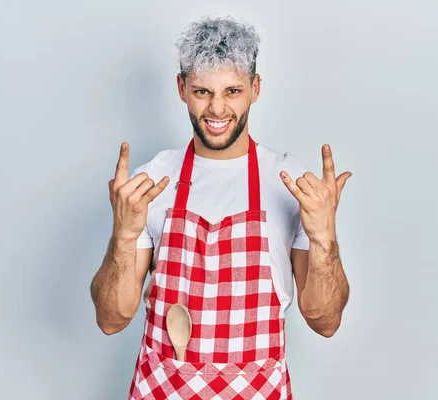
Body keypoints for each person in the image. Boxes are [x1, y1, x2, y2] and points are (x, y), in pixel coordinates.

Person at [90, 15, 352, 400]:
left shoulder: (290, 182)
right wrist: (124, 235)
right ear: (181, 88)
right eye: (202, 91)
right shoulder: (153, 181)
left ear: (255, 88)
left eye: (232, 91)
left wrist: (324, 237)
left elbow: (325, 321)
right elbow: (111, 320)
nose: (217, 109)